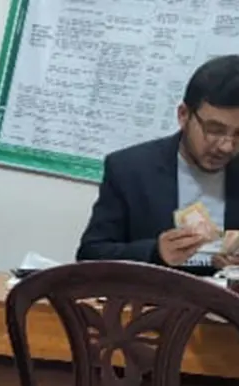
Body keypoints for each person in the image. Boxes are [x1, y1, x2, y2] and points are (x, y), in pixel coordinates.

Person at [76, 55, 239, 273]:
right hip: (150, 293)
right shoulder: (130, 169)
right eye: (214, 130)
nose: (227, 146)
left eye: (238, 134)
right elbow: (90, 255)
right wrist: (155, 252)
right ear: (183, 115)